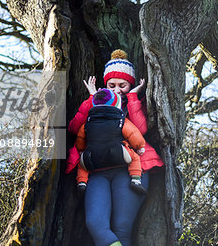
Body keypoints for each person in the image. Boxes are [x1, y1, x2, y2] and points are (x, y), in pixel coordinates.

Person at [67, 49, 164, 246]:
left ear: (130, 85)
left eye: (123, 85)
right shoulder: (95, 106)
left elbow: (141, 129)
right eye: (112, 85)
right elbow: (74, 128)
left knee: (122, 227)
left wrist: (133, 98)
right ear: (106, 85)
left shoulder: (134, 103)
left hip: (130, 169)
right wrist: (92, 100)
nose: (117, 89)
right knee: (95, 224)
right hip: (97, 171)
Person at [75, 88, 147, 197]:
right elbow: (133, 134)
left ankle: (82, 182)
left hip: (92, 157)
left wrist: (80, 150)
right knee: (135, 158)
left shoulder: (87, 123)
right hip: (118, 154)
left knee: (82, 165)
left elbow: (80, 138)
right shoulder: (121, 121)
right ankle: (136, 179)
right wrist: (140, 146)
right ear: (117, 104)